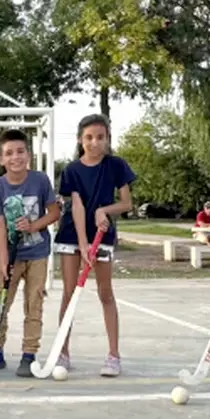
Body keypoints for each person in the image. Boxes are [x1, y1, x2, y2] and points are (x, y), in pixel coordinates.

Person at [53, 113, 136, 377]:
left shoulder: (116, 165)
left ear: (108, 139)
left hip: (103, 235)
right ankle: (62, 353)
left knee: (105, 293)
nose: (94, 142)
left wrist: (103, 210)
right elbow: (76, 206)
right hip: (72, 235)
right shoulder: (72, 170)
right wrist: (83, 244)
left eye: (100, 137)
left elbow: (126, 203)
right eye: (89, 137)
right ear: (80, 140)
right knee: (69, 293)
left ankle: (114, 356)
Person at [0, 129, 61, 376]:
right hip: (12, 255)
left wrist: (34, 225)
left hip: (37, 253)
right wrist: (4, 259)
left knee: (34, 303)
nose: (15, 157)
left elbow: (54, 213)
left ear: (28, 154)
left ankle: (29, 354)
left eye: (20, 151)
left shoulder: (40, 181)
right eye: (9, 153)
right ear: (1, 159)